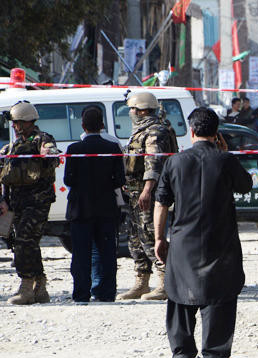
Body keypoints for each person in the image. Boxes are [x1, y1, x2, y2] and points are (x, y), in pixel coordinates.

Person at [154, 107, 252, 358]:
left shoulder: (174, 162)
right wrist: (225, 152)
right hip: (220, 241)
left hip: (183, 240)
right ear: (216, 132)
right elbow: (245, 186)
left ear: (192, 131)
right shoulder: (225, 160)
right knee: (220, 296)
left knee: (179, 297)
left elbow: (161, 204)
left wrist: (159, 238)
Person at [0, 101, 60, 305]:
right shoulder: (13, 146)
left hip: (37, 202)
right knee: (28, 243)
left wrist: (48, 155)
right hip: (16, 203)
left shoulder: (41, 139)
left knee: (25, 240)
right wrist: (4, 200)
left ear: (26, 122)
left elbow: (53, 156)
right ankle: (40, 287)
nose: (14, 126)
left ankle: (26, 286)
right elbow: (5, 176)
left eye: (17, 123)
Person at [117, 91, 175, 301]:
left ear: (142, 110)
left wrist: (147, 190)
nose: (131, 113)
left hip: (148, 194)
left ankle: (165, 282)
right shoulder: (141, 130)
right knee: (135, 238)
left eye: (132, 109)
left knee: (150, 235)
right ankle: (141, 282)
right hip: (135, 193)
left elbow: (154, 162)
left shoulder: (155, 131)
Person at [64, 105, 125, 302]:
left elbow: (68, 180)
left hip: (80, 209)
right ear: (102, 125)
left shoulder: (73, 149)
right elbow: (119, 180)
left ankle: (81, 293)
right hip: (106, 208)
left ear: (83, 125)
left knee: (81, 254)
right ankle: (106, 293)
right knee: (107, 253)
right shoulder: (112, 148)